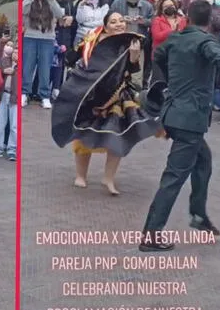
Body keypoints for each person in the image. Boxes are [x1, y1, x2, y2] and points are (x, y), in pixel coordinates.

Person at [140, 0, 220, 252]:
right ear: (209, 20)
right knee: (174, 176)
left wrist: (171, 84)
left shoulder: (176, 38)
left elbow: (157, 55)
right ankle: (151, 235)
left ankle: (198, 215)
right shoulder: (206, 42)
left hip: (173, 113)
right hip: (189, 120)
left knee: (204, 161)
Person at [51, 12, 163, 195]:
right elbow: (72, 59)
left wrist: (134, 58)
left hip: (117, 94)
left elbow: (132, 70)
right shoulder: (92, 40)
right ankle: (81, 175)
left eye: (121, 21)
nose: (119, 24)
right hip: (90, 95)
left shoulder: (131, 42)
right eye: (113, 22)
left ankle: (108, 178)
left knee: (119, 135)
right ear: (105, 26)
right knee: (83, 135)